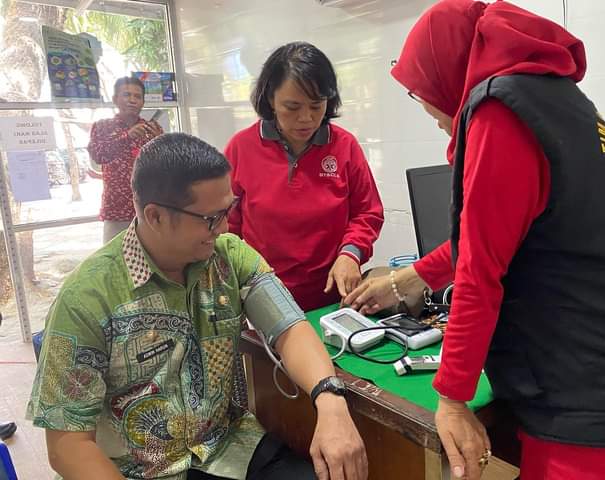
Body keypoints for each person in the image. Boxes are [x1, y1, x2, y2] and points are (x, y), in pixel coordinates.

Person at [345, 1, 605, 479]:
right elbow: (496, 236)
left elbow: (480, 272)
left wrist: (452, 398)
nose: (429, 112)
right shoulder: (561, 101)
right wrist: (408, 279)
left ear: (444, 71)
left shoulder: (498, 111)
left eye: (421, 94)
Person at [27, 133, 367, 480]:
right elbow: (68, 446)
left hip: (228, 448)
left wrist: (330, 401)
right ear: (156, 216)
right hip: (136, 471)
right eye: (211, 218)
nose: (225, 227)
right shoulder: (87, 298)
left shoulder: (229, 257)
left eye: (228, 210)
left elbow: (290, 328)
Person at [224, 42, 384, 312]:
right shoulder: (241, 148)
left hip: (332, 294)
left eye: (316, 105)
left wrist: (351, 254)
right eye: (292, 106)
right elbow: (227, 226)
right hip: (263, 294)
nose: (306, 118)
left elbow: (367, 213)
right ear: (270, 99)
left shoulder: (344, 146)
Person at [89, 76, 163, 244]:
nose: (132, 100)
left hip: (149, 208)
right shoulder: (102, 127)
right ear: (115, 99)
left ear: (143, 102)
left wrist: (160, 141)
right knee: (114, 256)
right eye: (126, 95)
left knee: (152, 255)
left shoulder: (152, 128)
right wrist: (126, 137)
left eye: (137, 96)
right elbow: (98, 156)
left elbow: (166, 165)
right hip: (117, 209)